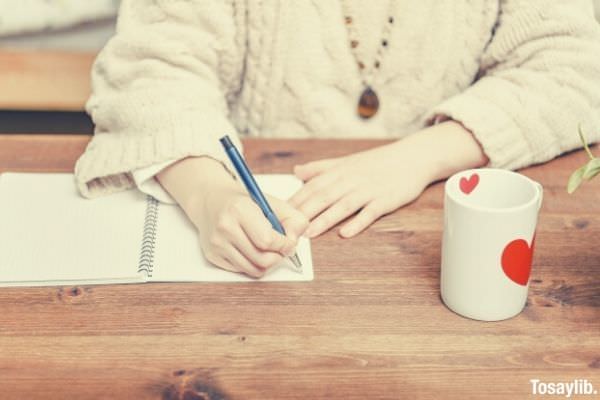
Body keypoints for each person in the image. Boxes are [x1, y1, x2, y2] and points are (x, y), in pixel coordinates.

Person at [75, 0, 600, 278]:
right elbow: (151, 71)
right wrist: (209, 193)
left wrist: (416, 158)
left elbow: (574, 69)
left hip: (436, 231)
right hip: (269, 210)